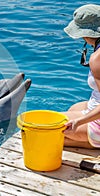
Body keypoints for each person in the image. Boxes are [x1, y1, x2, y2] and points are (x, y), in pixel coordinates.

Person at [63, 4, 100, 148]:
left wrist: (79, 122)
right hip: (96, 107)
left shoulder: (97, 58)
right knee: (73, 109)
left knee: (46, 131)